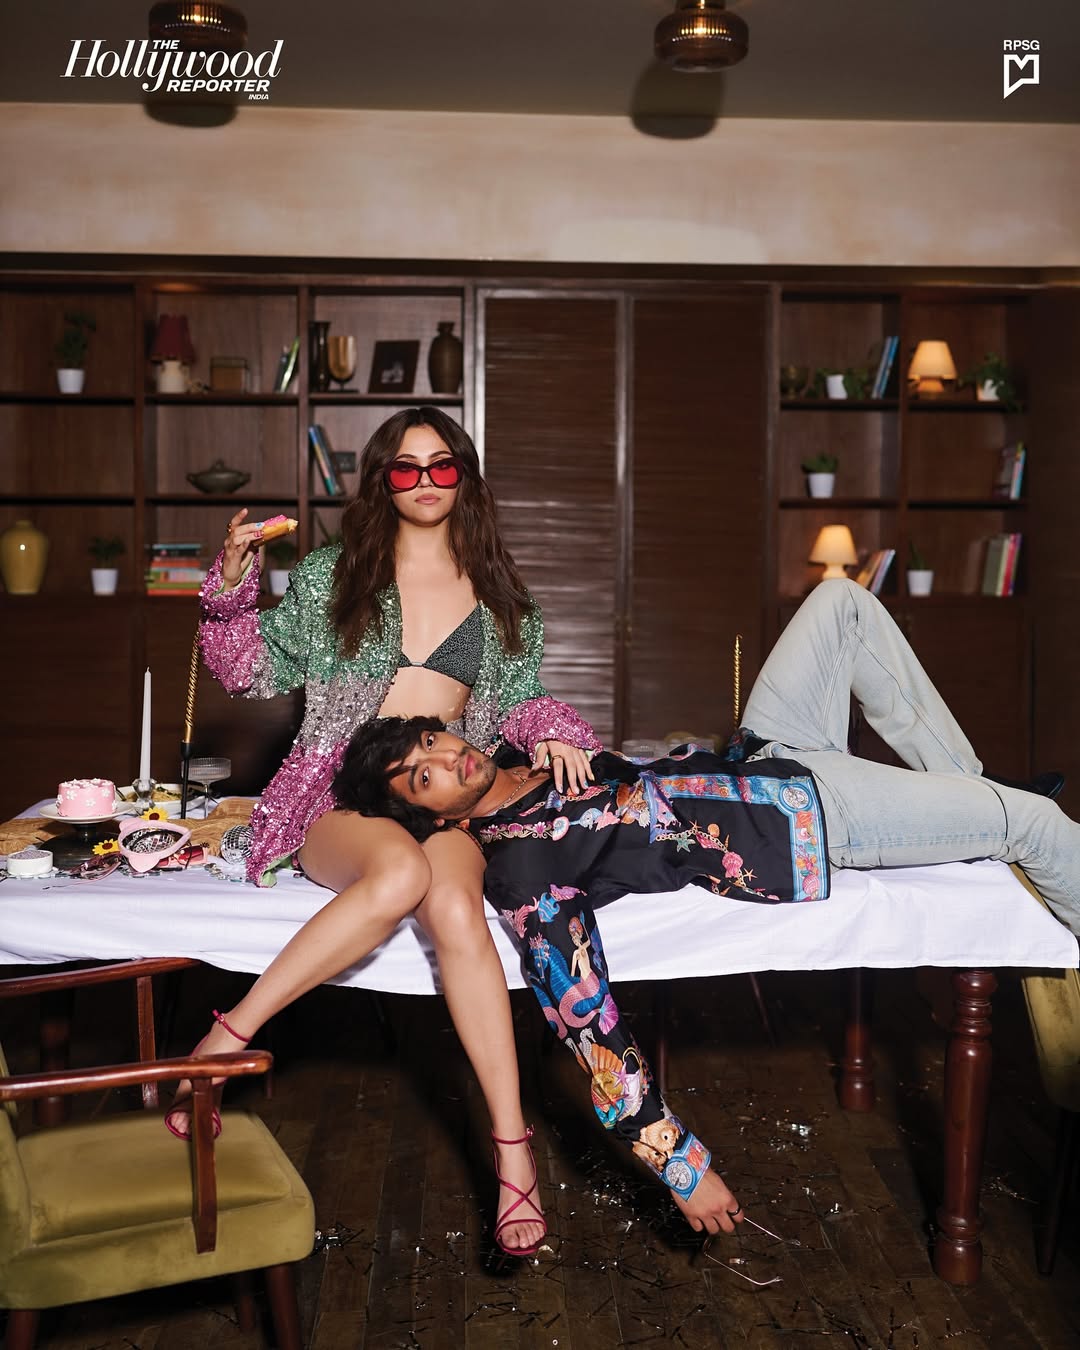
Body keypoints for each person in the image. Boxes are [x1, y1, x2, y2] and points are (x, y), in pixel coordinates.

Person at [335, 578, 1080, 1236]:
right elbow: (584, 1018)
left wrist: (557, 741)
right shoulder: (523, 867)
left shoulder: (527, 756)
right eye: (423, 777)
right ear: (430, 818)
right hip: (810, 817)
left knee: (842, 603)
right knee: (1041, 827)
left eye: (432, 740)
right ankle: (998, 809)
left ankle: (977, 793)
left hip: (769, 753)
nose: (445, 757)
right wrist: (680, 1166)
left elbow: (542, 710)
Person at [175, 407, 602, 1256]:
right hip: (335, 793)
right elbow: (249, 670)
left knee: (457, 906)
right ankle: (222, 1045)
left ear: (464, 477)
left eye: (442, 466)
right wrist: (231, 583)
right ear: (383, 481)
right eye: (406, 469)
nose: (425, 483)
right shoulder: (333, 576)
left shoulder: (506, 601)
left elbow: (517, 704)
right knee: (401, 875)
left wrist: (555, 730)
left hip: (438, 799)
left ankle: (512, 1152)